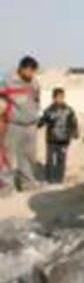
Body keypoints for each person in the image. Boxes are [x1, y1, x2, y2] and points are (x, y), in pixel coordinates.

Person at [0, 56, 42, 190]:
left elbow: (36, 100)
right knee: (8, 155)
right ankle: (6, 184)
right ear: (21, 68)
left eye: (33, 71)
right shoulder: (8, 81)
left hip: (31, 125)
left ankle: (27, 182)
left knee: (29, 155)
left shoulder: (34, 82)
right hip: (13, 124)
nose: (31, 74)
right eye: (29, 71)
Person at [38, 87, 79, 184]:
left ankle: (59, 179)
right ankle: (50, 179)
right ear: (53, 97)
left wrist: (75, 133)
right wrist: (38, 122)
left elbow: (73, 122)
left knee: (61, 160)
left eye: (61, 97)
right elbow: (41, 123)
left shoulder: (69, 110)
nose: (59, 99)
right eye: (57, 97)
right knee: (50, 160)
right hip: (51, 140)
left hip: (64, 140)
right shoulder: (48, 110)